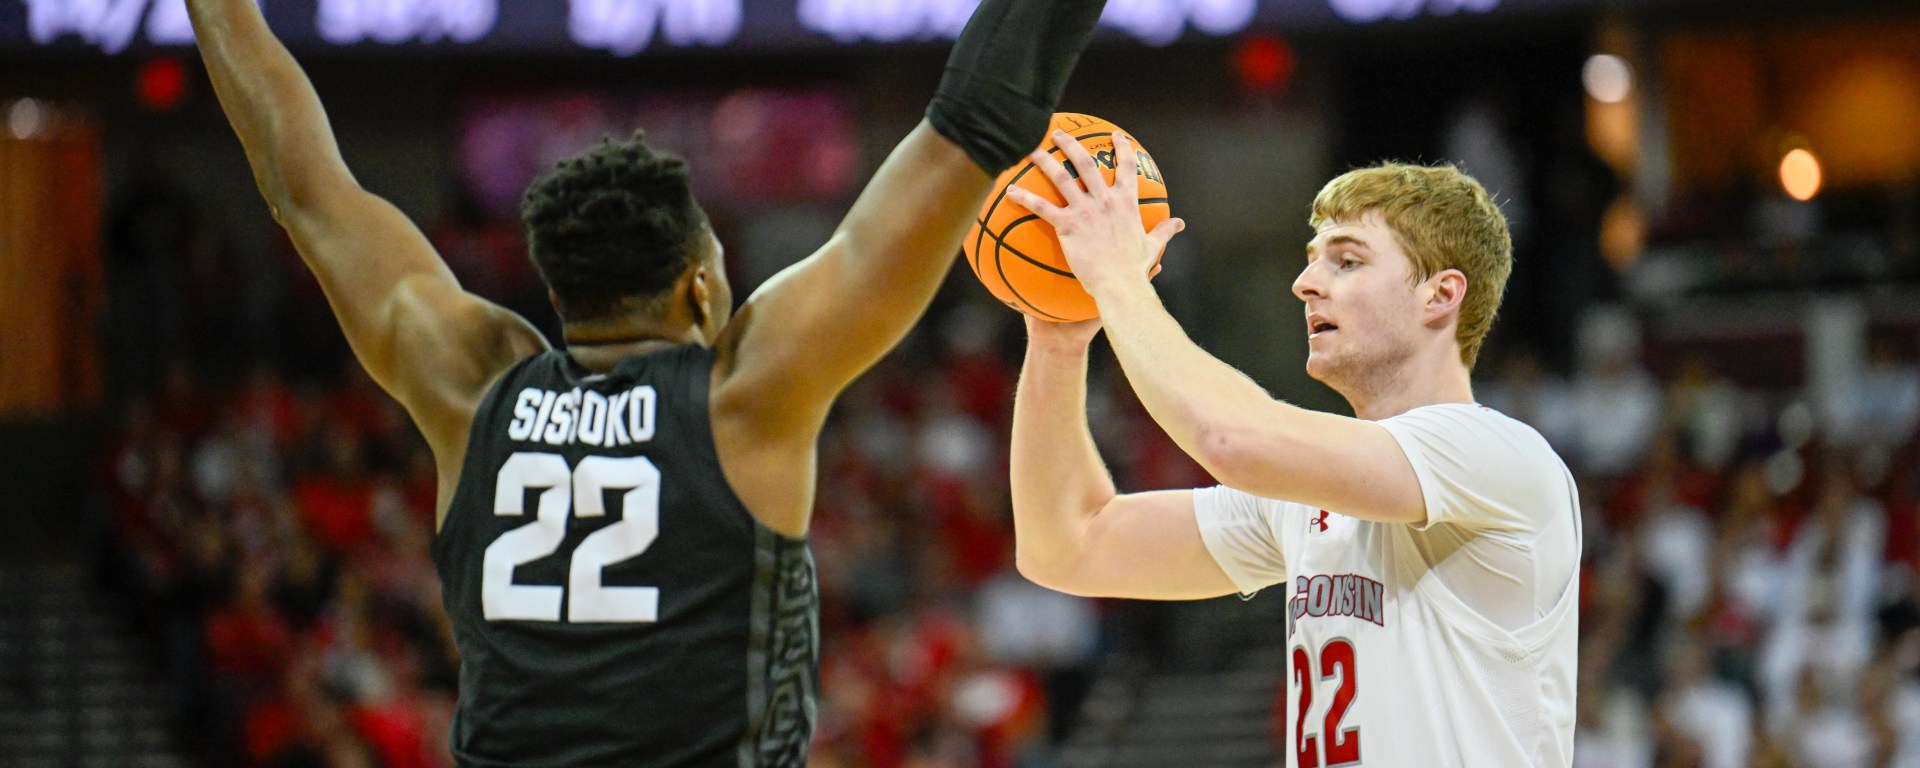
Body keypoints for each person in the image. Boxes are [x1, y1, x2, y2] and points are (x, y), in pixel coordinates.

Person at [182, 0, 1109, 763]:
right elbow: (970, 129)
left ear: (558, 289)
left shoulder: (468, 388)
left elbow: (303, 184)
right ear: (699, 286)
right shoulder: (746, 396)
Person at [1003, 138, 1581, 767]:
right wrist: (1057, 340)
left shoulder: (1496, 455)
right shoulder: (1306, 499)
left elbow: (1232, 438)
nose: (1305, 284)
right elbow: (1066, 545)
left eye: (1347, 261)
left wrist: (1116, 279)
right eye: (1312, 261)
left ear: (1440, 296)